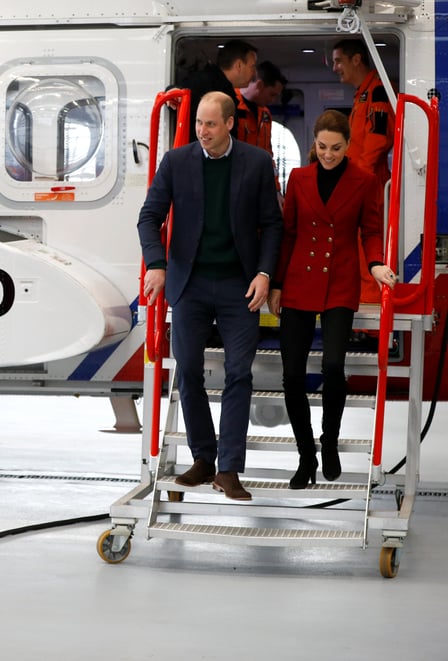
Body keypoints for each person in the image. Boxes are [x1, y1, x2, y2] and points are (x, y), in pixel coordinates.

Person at [138, 91, 283, 501]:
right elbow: (149, 217)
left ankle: (228, 469)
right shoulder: (176, 162)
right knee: (187, 372)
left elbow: (272, 225)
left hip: (241, 285)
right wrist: (156, 265)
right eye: (199, 123)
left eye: (211, 124)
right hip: (190, 284)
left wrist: (264, 274)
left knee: (239, 373)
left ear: (230, 124)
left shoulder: (255, 163)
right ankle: (203, 458)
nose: (203, 131)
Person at [267, 110, 397, 489]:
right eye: (322, 147)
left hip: (340, 283)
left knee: (334, 366)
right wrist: (276, 283)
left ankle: (330, 443)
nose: (327, 154)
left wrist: (375, 263)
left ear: (347, 146)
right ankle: (305, 455)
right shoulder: (299, 177)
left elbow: (371, 230)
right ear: (314, 143)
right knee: (291, 374)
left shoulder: (364, 181)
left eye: (336, 148)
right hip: (297, 283)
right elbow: (288, 234)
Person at [332, 38, 395, 304]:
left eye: (338, 61)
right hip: (361, 183)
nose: (335, 67)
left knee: (368, 252)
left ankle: (370, 324)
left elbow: (377, 142)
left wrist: (356, 183)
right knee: (356, 252)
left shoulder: (377, 92)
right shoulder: (364, 94)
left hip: (369, 185)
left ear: (356, 59)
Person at [175, 39, 259, 143]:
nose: (254, 73)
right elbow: (178, 94)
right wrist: (172, 91)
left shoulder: (226, 89)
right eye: (253, 66)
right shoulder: (205, 82)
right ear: (239, 66)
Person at [236, 60, 287, 156]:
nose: (273, 100)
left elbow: (267, 149)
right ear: (260, 85)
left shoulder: (265, 114)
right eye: (272, 94)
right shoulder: (231, 105)